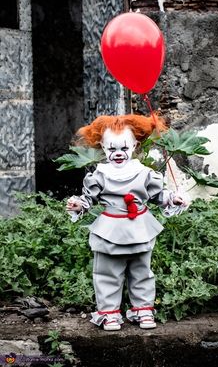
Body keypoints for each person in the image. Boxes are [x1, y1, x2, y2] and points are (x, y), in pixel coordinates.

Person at [66, 114, 186, 331]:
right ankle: (110, 313)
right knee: (107, 272)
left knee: (142, 271)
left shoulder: (144, 173)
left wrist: (172, 198)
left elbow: (158, 196)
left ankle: (143, 310)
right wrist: (79, 204)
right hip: (110, 228)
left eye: (124, 148)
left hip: (139, 226)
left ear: (134, 145)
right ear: (103, 146)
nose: (118, 154)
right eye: (111, 149)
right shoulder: (100, 174)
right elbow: (89, 198)